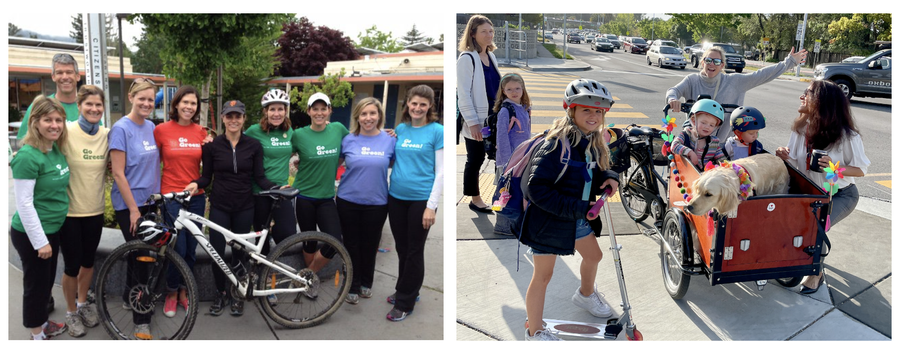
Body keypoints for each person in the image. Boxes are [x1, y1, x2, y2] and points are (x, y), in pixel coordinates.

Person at [520, 79, 619, 341]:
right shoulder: (554, 145)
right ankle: (535, 331)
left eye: (598, 111)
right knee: (543, 275)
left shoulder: (590, 142)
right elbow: (536, 189)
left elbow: (590, 173)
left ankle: (585, 295)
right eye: (586, 109)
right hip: (549, 220)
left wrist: (607, 176)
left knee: (594, 256)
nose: (594, 115)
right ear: (570, 110)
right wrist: (578, 207)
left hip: (574, 216)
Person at [184, 100, 280, 317]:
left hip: (245, 207)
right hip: (220, 206)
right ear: (223, 118)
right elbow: (207, 177)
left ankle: (238, 293)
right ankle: (220, 293)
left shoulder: (253, 146)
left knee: (240, 253)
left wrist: (278, 188)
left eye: (238, 116)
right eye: (229, 116)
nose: (234, 120)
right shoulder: (212, 146)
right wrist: (196, 184)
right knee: (216, 253)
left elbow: (260, 178)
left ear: (244, 119)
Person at [774, 80, 870, 294]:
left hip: (840, 195)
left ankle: (815, 273)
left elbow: (861, 170)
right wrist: (784, 155)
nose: (801, 96)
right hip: (809, 193)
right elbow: (797, 162)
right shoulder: (800, 128)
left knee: (816, 229)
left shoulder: (847, 136)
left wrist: (834, 168)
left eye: (806, 93)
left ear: (820, 101)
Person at [10, 95, 70, 340]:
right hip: (33, 233)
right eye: (48, 119)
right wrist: (40, 241)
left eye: (58, 120)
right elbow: (24, 204)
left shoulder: (53, 148)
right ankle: (37, 334)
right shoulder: (27, 156)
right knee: (36, 287)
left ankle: (42, 323)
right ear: (35, 122)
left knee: (45, 285)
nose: (54, 125)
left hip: (52, 229)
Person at [386, 85, 444, 321]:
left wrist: (431, 206)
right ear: (407, 104)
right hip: (396, 198)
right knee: (402, 248)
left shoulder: (437, 131)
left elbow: (441, 172)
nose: (418, 108)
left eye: (423, 104)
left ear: (430, 106)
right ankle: (406, 288)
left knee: (414, 250)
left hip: (421, 201)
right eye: (414, 103)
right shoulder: (401, 129)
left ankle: (405, 302)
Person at [109, 77, 160, 339]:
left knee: (138, 254)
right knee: (142, 258)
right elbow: (118, 173)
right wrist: (133, 210)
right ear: (131, 98)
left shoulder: (151, 126)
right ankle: (142, 319)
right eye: (142, 98)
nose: (146, 103)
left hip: (150, 202)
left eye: (151, 99)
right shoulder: (120, 129)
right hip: (130, 205)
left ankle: (131, 296)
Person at [666, 46, 808, 140]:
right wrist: (673, 99)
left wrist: (789, 62)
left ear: (722, 65)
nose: (712, 64)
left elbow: (761, 75)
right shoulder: (692, 80)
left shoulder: (734, 81)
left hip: (723, 144)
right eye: (708, 60)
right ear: (702, 62)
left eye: (717, 61)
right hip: (694, 141)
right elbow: (674, 90)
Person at [153, 85, 208, 318]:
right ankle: (171, 292)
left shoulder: (202, 132)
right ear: (176, 104)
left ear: (197, 108)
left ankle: (185, 291)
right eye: (185, 102)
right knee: (177, 247)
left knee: (192, 249)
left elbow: (211, 165)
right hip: (171, 197)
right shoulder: (161, 131)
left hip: (196, 197)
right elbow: (151, 164)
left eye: (193, 103)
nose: (188, 107)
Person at [336, 97, 396, 304]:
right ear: (357, 117)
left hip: (377, 203)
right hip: (347, 200)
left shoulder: (390, 140)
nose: (368, 118)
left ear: (379, 116)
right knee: (351, 244)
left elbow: (402, 163)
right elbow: (333, 161)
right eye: (364, 114)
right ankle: (352, 284)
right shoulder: (348, 140)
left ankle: (366, 283)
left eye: (372, 113)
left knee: (370, 246)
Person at [58, 85, 108, 337]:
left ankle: (82, 303)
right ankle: (69, 312)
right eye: (89, 104)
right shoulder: (65, 130)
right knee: (71, 266)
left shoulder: (107, 135)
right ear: (78, 106)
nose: (94, 109)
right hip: (69, 213)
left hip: (95, 210)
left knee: (88, 263)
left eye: (98, 105)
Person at [290, 92, 348, 292]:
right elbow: (280, 154)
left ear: (330, 110)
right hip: (304, 195)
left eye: (324, 108)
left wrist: (388, 134)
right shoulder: (298, 135)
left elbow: (357, 143)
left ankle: (305, 276)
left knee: (334, 241)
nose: (319, 112)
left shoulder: (338, 129)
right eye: (315, 109)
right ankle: (309, 283)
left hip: (326, 197)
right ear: (308, 111)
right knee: (310, 241)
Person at [245, 89, 297, 261]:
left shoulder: (290, 132)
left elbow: (303, 149)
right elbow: (237, 145)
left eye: (280, 109)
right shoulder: (254, 131)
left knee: (287, 233)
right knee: (262, 239)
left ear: (285, 111)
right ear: (265, 111)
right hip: (259, 191)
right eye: (272, 109)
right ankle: (262, 274)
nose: (276, 113)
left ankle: (272, 261)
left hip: (281, 189)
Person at [458, 14, 501, 213]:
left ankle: (501, 195)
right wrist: (473, 122)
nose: (489, 35)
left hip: (494, 117)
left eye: (491, 31)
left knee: (496, 156)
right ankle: (475, 199)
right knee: (475, 158)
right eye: (484, 31)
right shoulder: (467, 58)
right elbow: (463, 93)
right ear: (473, 34)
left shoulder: (491, 56)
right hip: (478, 119)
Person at [492, 73, 532, 236]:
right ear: (503, 91)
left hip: (521, 158)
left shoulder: (524, 108)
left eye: (517, 88)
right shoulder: (505, 110)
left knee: (515, 191)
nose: (514, 92)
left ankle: (513, 223)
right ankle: (502, 225)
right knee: (504, 191)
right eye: (509, 89)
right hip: (508, 160)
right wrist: (507, 163)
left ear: (523, 88)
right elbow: (501, 137)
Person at [18, 53, 92, 139]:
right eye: (59, 73)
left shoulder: (89, 108)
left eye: (69, 72)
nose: (64, 77)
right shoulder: (39, 106)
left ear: (78, 76)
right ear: (53, 77)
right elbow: (24, 142)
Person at [670, 99, 727, 168]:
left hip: (705, 175)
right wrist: (690, 152)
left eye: (711, 125)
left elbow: (721, 159)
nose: (707, 127)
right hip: (686, 172)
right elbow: (674, 145)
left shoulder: (714, 142)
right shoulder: (686, 135)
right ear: (694, 121)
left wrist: (727, 166)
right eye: (703, 123)